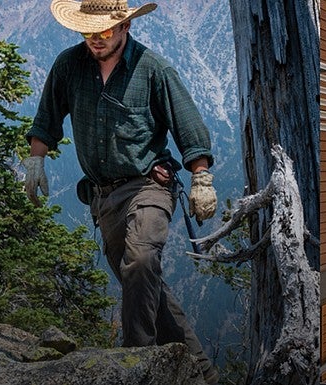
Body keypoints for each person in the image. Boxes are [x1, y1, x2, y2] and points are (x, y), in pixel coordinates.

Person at [22, 0, 217, 382]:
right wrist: (36, 159)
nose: (95, 38)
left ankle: (137, 360)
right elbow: (46, 116)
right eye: (88, 31)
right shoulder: (69, 65)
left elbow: (188, 124)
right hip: (102, 194)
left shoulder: (153, 69)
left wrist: (202, 178)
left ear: (124, 27)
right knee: (142, 284)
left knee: (142, 261)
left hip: (148, 184)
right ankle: (202, 373)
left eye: (104, 30)